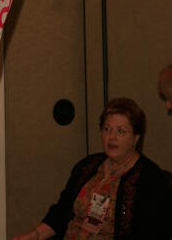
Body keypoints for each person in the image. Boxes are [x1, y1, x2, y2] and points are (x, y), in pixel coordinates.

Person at [13, 98, 172, 240]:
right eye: (107, 129)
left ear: (136, 138)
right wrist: (35, 234)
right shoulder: (87, 165)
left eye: (120, 131)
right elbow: (61, 212)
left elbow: (151, 234)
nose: (112, 137)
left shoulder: (151, 179)